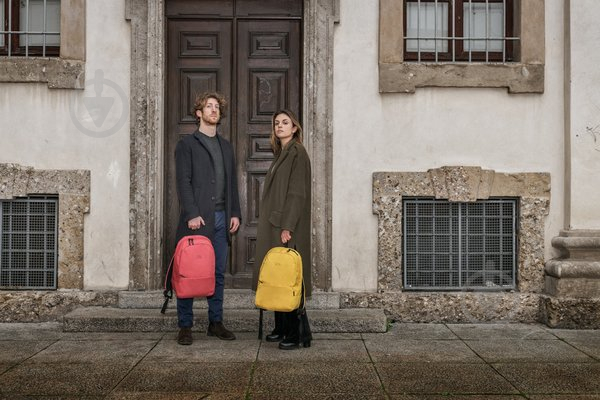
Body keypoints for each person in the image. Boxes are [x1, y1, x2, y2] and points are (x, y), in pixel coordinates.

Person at [174, 92, 241, 345]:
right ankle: (185, 325)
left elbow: (232, 183)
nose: (213, 110)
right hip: (198, 219)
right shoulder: (187, 145)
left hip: (223, 218)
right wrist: (191, 213)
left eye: (216, 107)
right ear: (199, 113)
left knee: (217, 273)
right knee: (190, 272)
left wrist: (235, 212)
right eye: (208, 107)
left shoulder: (226, 146)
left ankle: (215, 322)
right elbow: (183, 181)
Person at [253, 109, 312, 350]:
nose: (280, 126)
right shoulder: (282, 153)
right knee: (279, 275)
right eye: (276, 123)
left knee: (290, 278)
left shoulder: (297, 152)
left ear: (294, 128)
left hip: (286, 227)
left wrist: (288, 225)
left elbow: (297, 193)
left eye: (285, 123)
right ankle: (281, 327)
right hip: (275, 224)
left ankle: (298, 334)